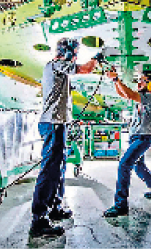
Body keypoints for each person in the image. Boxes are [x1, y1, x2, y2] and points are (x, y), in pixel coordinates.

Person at [30, 38, 102, 237]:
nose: (76, 56)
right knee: (49, 171)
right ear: (68, 52)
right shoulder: (57, 64)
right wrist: (98, 57)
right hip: (53, 124)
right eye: (75, 52)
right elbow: (86, 69)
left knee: (60, 168)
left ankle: (55, 207)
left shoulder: (56, 67)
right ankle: (39, 220)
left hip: (59, 124)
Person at [103, 70, 151, 217]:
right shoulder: (140, 98)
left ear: (150, 84)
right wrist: (114, 81)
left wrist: (117, 78)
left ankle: (121, 205)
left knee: (124, 165)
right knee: (139, 167)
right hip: (135, 137)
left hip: (143, 138)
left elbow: (130, 94)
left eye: (142, 81)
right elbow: (123, 94)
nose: (139, 83)